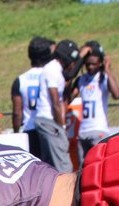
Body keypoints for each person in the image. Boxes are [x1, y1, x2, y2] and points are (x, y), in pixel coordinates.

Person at [31, 40, 81, 172]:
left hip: (47, 121)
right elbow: (55, 102)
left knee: (50, 166)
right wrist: (62, 127)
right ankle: (68, 192)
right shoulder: (52, 70)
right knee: (63, 166)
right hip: (49, 121)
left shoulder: (56, 69)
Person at [74, 44, 119, 163]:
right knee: (82, 171)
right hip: (83, 132)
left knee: (100, 166)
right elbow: (68, 97)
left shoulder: (103, 78)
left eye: (93, 64)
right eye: (87, 64)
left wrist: (107, 70)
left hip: (99, 130)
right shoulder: (82, 79)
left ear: (100, 63)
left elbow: (117, 94)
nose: (90, 67)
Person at [11, 37, 55, 161]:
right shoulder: (51, 75)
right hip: (48, 128)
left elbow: (17, 113)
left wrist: (16, 133)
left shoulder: (20, 79)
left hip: (29, 130)